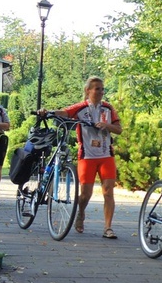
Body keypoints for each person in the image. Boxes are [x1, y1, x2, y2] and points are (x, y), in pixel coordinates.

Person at [39, 77, 123, 238]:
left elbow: (119, 129)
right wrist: (47, 112)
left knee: (108, 191)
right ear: (88, 90)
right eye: (97, 88)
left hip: (106, 155)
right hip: (87, 156)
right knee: (85, 194)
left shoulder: (108, 108)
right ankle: (81, 213)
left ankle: (107, 228)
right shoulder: (81, 108)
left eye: (102, 89)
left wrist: (108, 126)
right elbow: (64, 112)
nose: (100, 91)